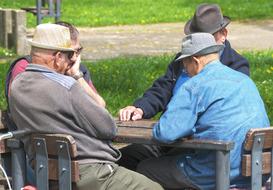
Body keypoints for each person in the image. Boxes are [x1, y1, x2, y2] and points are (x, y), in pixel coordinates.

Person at [8, 23, 163, 190]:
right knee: (153, 187)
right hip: (89, 173)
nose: (74, 59)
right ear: (58, 56)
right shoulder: (66, 86)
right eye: (70, 55)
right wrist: (76, 77)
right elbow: (108, 128)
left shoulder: (16, 86)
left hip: (47, 173)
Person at [137, 33, 270, 189]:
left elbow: (166, 133)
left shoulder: (195, 85)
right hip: (257, 170)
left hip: (214, 171)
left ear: (195, 61)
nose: (185, 70)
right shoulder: (245, 81)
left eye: (185, 64)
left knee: (145, 168)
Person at [119, 3, 249, 121]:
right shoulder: (183, 60)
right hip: (169, 130)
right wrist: (140, 108)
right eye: (197, 38)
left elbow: (229, 111)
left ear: (224, 34)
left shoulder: (236, 67)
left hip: (203, 137)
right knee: (132, 148)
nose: (201, 45)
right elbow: (163, 88)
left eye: (207, 38)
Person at [6, 21, 105, 108]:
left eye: (78, 51)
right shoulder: (25, 67)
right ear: (57, 54)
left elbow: (100, 106)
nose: (75, 58)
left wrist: (77, 76)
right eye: (70, 53)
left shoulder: (77, 70)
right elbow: (26, 107)